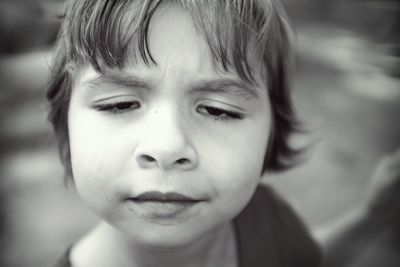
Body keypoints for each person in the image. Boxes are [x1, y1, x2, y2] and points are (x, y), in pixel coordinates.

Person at [47, 0, 322, 266]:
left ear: (272, 132)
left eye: (218, 110)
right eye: (119, 104)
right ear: (66, 124)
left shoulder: (269, 219)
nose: (167, 147)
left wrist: (363, 226)